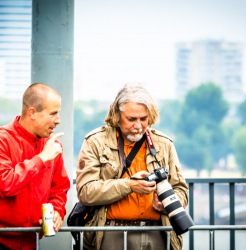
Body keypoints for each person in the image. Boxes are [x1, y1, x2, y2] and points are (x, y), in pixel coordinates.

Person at [76, 83, 189, 250]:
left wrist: (165, 204)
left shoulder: (164, 144)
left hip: (157, 231)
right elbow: (85, 192)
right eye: (131, 119)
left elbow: (181, 190)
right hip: (111, 232)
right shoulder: (95, 142)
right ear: (116, 115)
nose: (138, 126)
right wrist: (128, 185)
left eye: (143, 119)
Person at [0, 83, 70, 250]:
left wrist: (57, 212)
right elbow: (5, 184)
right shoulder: (3, 140)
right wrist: (41, 158)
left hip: (33, 242)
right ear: (32, 113)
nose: (58, 120)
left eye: (58, 113)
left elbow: (59, 188)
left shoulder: (53, 146)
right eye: (53, 114)